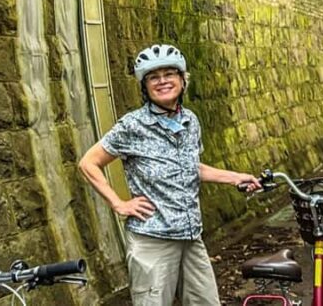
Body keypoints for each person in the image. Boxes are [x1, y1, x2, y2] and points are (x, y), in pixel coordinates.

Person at [78, 44, 262, 306]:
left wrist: (234, 177)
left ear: (182, 80)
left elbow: (191, 166)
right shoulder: (132, 126)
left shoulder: (190, 121)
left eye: (169, 74)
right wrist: (118, 204)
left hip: (190, 237)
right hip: (153, 240)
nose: (162, 81)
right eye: (153, 77)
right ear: (145, 86)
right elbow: (88, 163)